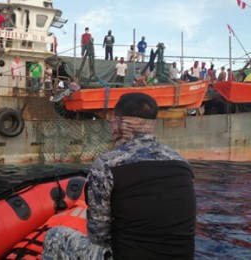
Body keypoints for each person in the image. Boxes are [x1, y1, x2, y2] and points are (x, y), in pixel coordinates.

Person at [43, 92, 196, 260]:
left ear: (118, 123)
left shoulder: (107, 165)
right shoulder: (181, 161)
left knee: (53, 236)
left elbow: (98, 236)